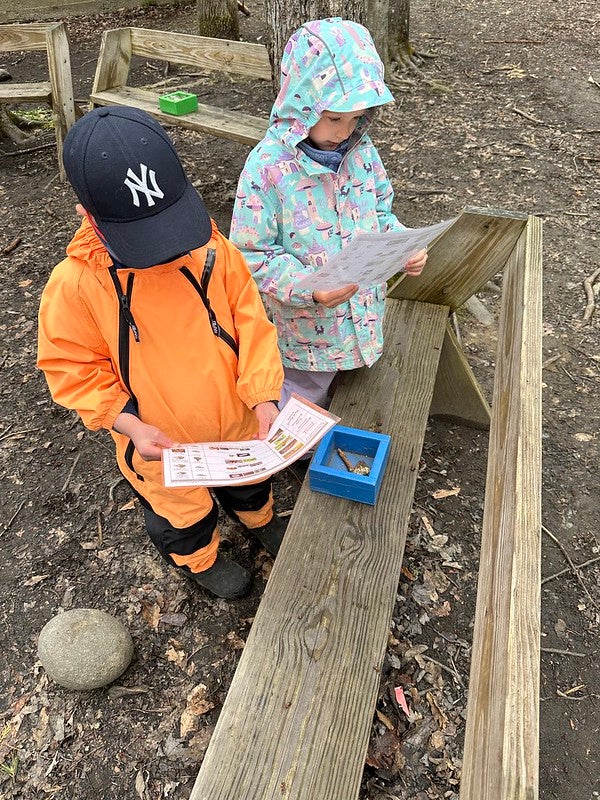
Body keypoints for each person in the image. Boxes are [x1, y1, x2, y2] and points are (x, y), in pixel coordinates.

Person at [37, 105, 286, 600]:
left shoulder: (214, 249)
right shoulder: (76, 286)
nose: (167, 251)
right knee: (182, 512)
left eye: (170, 228)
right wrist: (127, 424)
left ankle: (256, 517)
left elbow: (251, 322)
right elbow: (74, 369)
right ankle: (199, 558)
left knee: (252, 481)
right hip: (160, 442)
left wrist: (263, 396)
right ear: (89, 215)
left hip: (237, 420)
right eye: (144, 239)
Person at [230, 17, 427, 414]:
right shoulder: (267, 167)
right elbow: (250, 254)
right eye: (334, 117)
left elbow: (381, 210)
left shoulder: (361, 151)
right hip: (306, 334)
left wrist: (401, 244)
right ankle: (291, 450)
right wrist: (308, 288)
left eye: (356, 118)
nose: (344, 131)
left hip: (363, 316)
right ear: (302, 101)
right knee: (303, 396)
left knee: (351, 389)